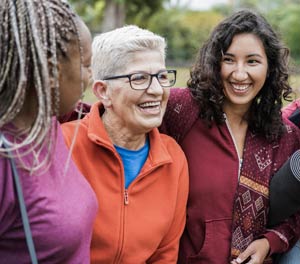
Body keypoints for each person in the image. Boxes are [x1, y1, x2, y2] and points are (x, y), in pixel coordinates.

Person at [159, 9, 300, 264]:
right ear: (215, 62)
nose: (239, 73)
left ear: (270, 67)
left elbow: (296, 215)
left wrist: (269, 243)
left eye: (252, 61)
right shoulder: (183, 110)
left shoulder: (285, 135)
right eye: (229, 59)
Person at [61, 25, 189, 263]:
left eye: (161, 76)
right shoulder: (62, 146)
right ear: (103, 91)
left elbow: (165, 255)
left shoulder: (174, 159)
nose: (156, 90)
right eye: (139, 78)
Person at [0, 0, 98, 263]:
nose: (90, 77)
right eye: (87, 65)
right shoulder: (4, 157)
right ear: (50, 70)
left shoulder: (45, 126)